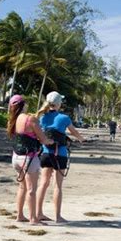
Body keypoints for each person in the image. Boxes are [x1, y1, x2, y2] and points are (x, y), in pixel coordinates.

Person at [36, 91, 84, 223]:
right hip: (60, 154)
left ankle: (38, 213)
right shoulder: (64, 118)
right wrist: (81, 139)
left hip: (46, 153)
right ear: (58, 104)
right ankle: (58, 217)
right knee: (57, 185)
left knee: (43, 183)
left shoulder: (42, 118)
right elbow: (74, 132)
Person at [7, 95, 53, 225]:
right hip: (29, 158)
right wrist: (51, 141)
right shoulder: (30, 119)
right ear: (23, 105)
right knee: (31, 189)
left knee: (22, 187)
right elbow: (43, 139)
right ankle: (33, 218)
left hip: (16, 157)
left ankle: (20, 215)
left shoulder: (13, 120)